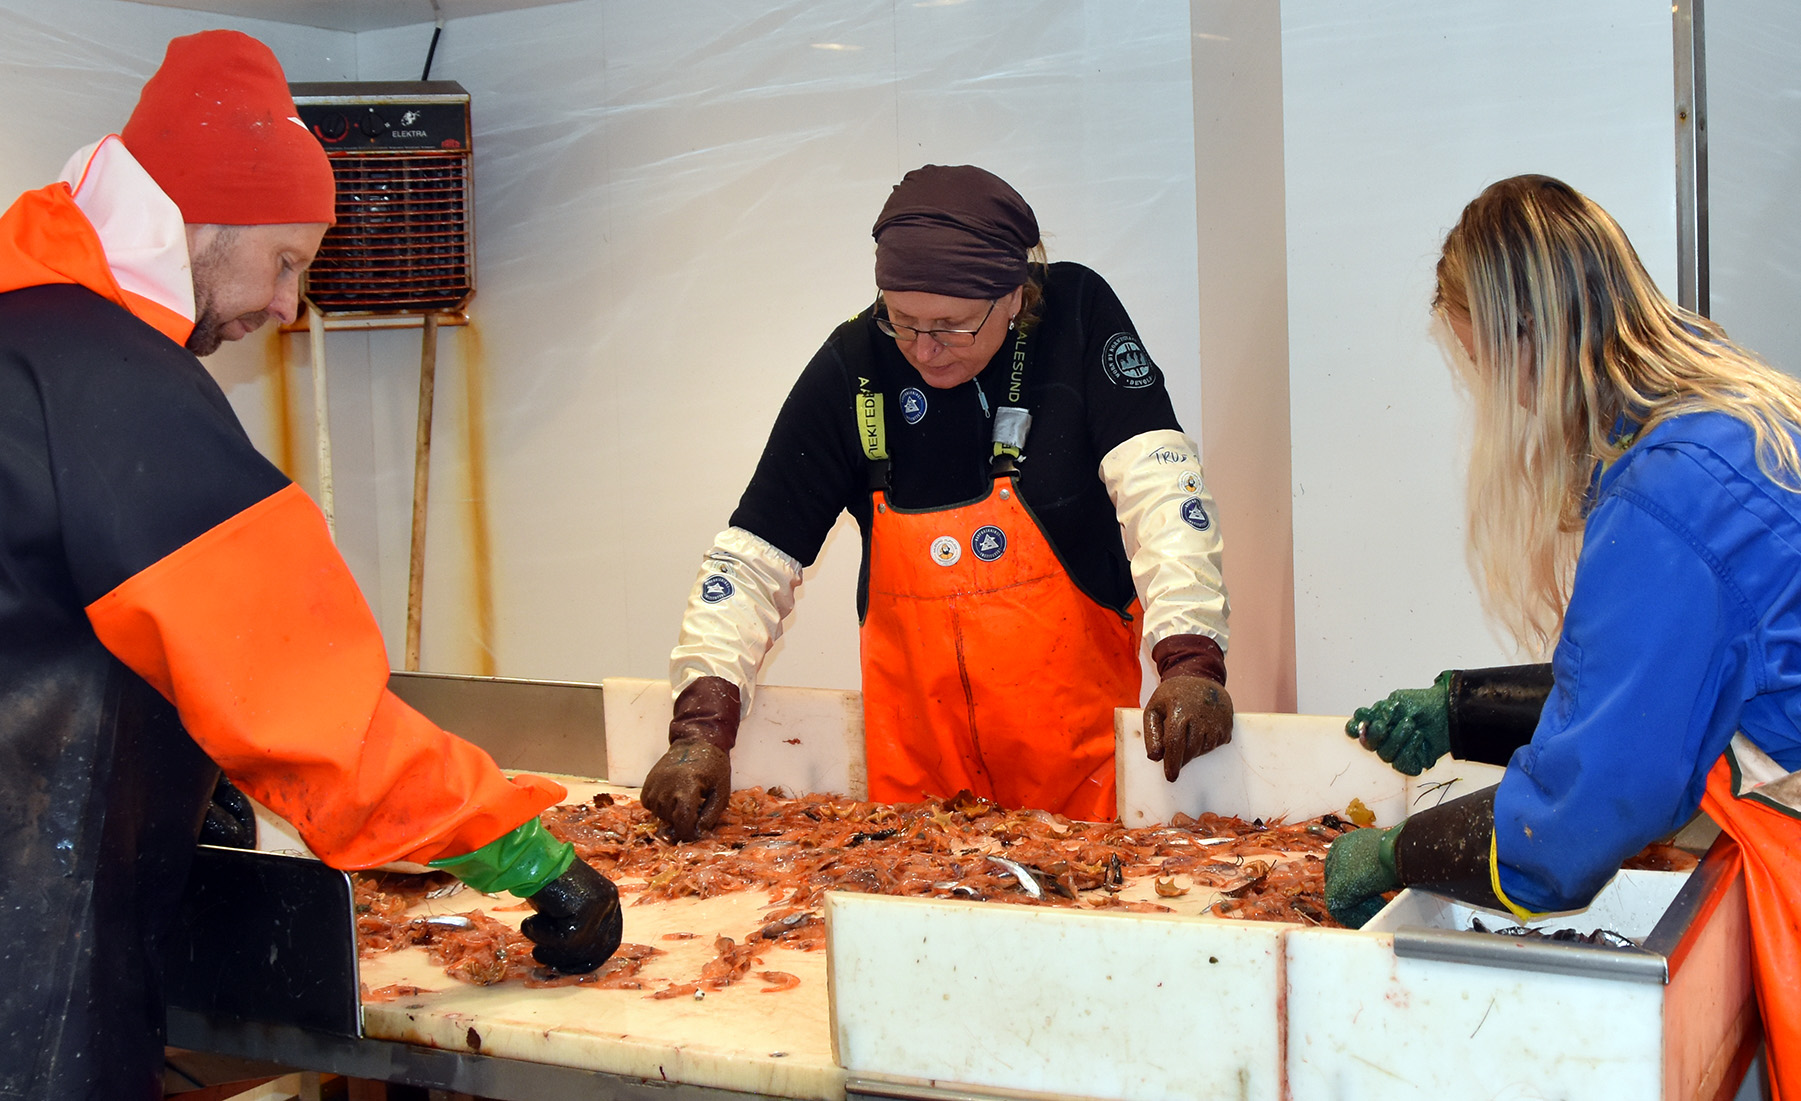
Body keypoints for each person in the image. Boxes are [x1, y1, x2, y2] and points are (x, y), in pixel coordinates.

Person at [0, 31, 619, 1099]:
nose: (289, 307)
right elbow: (310, 705)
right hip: (31, 962)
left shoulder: (23, 339)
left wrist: (184, 778)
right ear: (202, 224)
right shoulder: (117, 388)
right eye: (287, 262)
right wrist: (522, 852)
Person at [1323, 174, 1801, 1097]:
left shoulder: (1667, 491)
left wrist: (1395, 852)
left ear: (1528, 338)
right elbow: (1676, 675)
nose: (1517, 405)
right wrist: (1463, 709)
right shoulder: (1729, 416)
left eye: (1494, 371)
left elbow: (1581, 820)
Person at [642, 164, 1233, 837]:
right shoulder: (856, 361)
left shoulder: (1075, 315)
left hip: (1086, 797)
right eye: (902, 321)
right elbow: (752, 559)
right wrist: (700, 725)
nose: (924, 349)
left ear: (1012, 293)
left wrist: (1189, 654)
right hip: (914, 816)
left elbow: (1162, 486)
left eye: (950, 326)